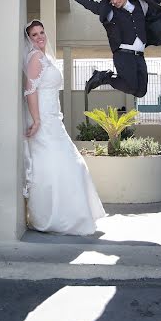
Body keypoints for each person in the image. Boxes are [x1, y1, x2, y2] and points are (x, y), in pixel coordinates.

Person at [23, 19, 106, 235]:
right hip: (43, 120)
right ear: (29, 39)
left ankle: (71, 215)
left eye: (42, 32)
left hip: (53, 119)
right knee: (55, 166)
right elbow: (30, 91)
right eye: (34, 34)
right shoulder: (34, 58)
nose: (40, 37)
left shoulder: (45, 58)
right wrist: (37, 120)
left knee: (70, 165)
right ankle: (52, 216)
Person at [57, 0, 161, 97]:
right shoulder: (110, 11)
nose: (114, 0)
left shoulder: (141, 4)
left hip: (139, 55)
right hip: (123, 55)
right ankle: (103, 77)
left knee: (140, 92)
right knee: (131, 86)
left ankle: (103, 76)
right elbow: (88, 3)